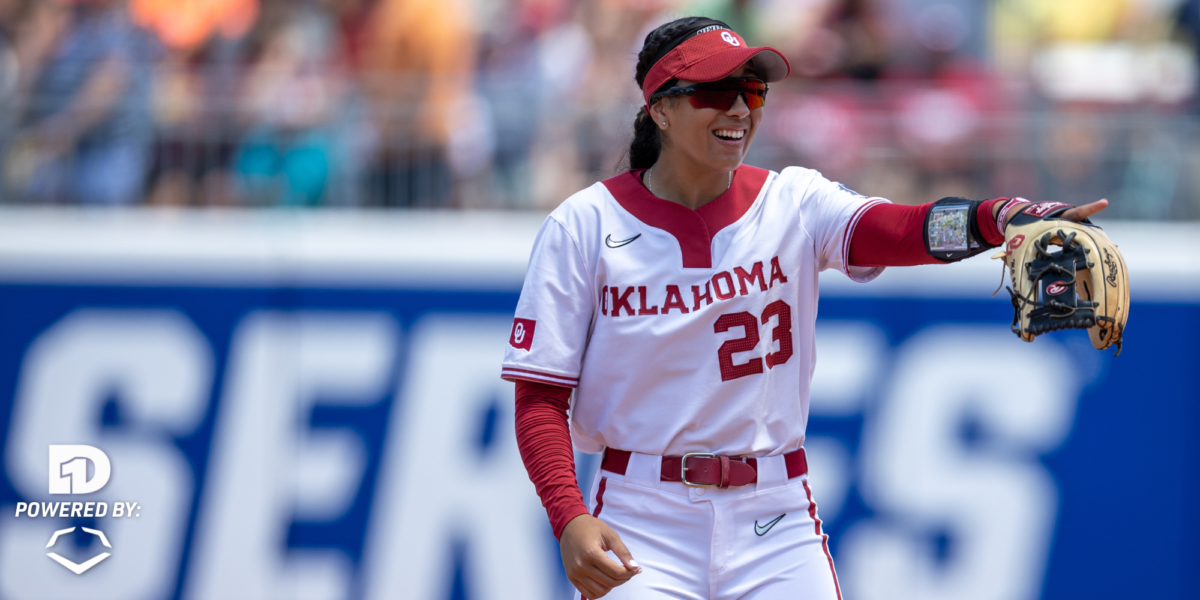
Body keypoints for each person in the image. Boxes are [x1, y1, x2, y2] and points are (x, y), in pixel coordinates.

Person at [501, 17, 1107, 599]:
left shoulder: (792, 200)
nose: (739, 109)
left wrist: (996, 218)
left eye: (752, 90)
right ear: (659, 108)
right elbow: (540, 398)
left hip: (774, 515)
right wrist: (568, 515)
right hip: (641, 516)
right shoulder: (584, 224)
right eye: (715, 91)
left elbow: (898, 229)